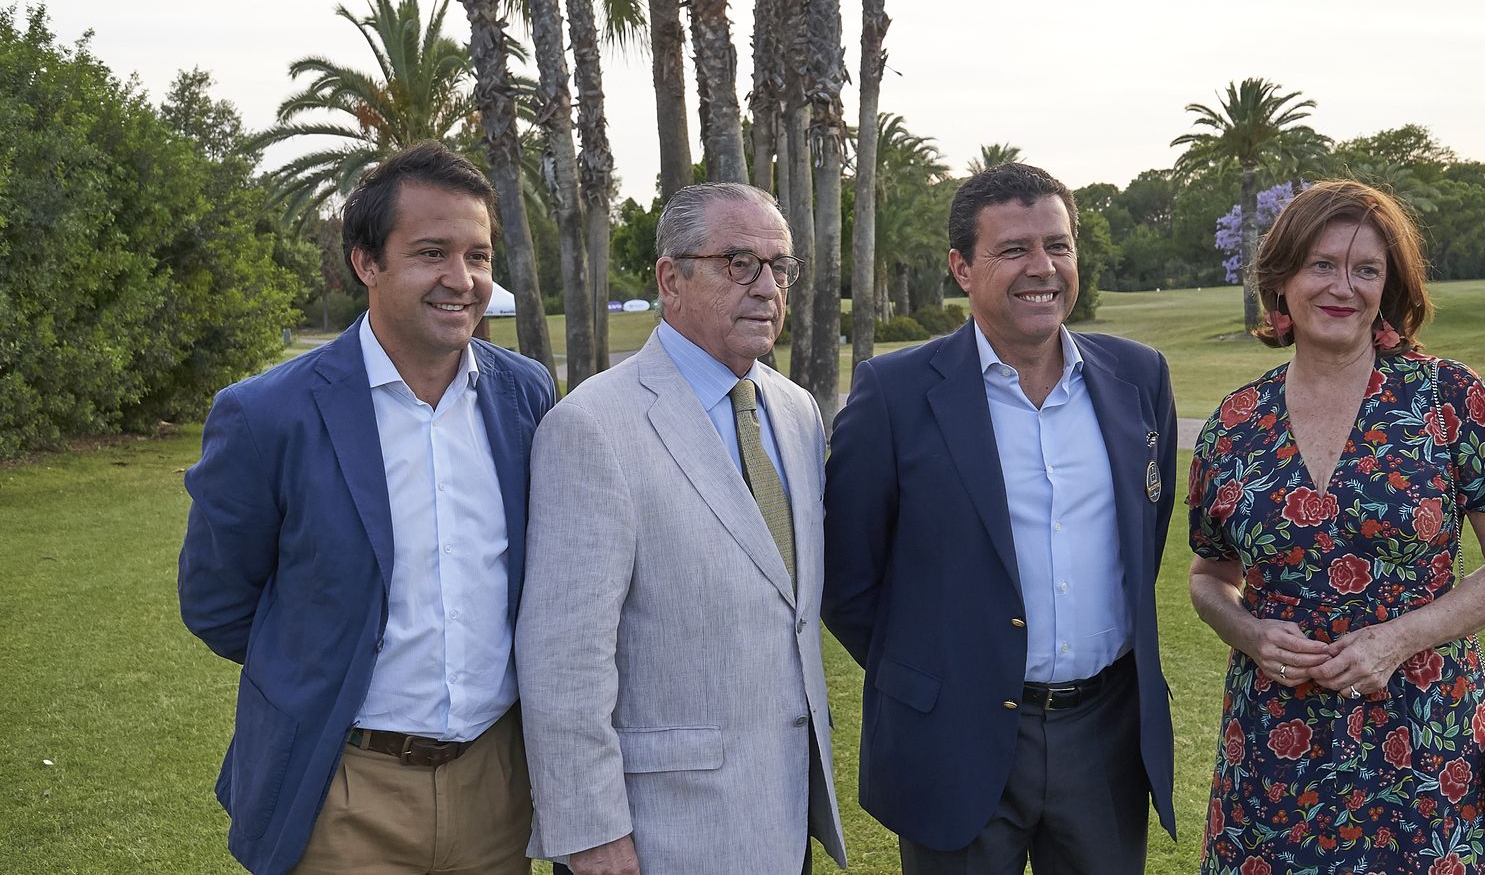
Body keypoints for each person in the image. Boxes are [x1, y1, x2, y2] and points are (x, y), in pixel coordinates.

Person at [178, 141, 556, 875]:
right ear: (366, 263)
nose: (462, 280)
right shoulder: (267, 416)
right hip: (342, 794)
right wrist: (314, 670)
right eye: (431, 253)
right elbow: (217, 602)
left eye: (478, 256)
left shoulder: (527, 395)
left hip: (498, 787)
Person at [823, 163, 1177, 874]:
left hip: (1104, 736)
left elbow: (1147, 531)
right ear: (962, 267)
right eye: (1014, 249)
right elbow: (848, 581)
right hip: (953, 740)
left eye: (1058, 245)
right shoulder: (894, 394)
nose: (1042, 268)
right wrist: (947, 674)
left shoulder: (1139, 378)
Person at [1187, 180, 1485, 873]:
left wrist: (1395, 639)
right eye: (1321, 265)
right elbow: (1209, 577)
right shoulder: (1234, 425)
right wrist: (1250, 632)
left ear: (1391, 286)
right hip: (1273, 740)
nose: (1342, 287)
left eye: (1366, 270)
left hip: (1422, 733)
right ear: (1283, 278)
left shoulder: (1447, 398)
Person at [517, 182, 846, 875]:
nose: (766, 286)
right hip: (659, 835)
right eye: (737, 262)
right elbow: (564, 657)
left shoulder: (794, 411)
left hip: (784, 817)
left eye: (779, 266)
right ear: (671, 278)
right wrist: (592, 834)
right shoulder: (593, 426)